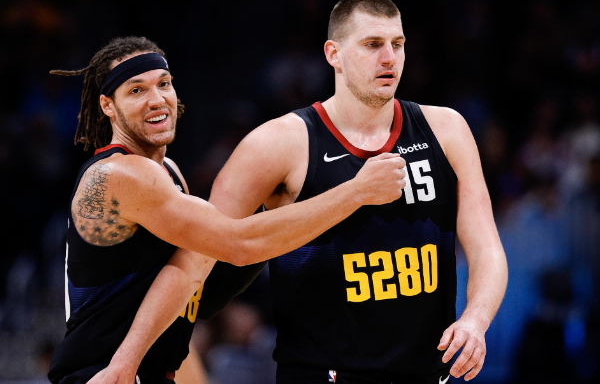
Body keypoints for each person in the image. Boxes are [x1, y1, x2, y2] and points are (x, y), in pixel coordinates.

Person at [94, 0, 508, 384]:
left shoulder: (446, 129)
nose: (389, 58)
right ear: (334, 54)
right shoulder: (276, 144)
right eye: (372, 45)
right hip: (322, 374)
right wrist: (125, 360)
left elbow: (486, 246)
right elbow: (197, 261)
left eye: (397, 45)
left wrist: (476, 319)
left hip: (426, 373)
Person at [46, 35, 407, 384]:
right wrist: (356, 192)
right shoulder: (119, 174)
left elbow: (197, 291)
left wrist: (270, 208)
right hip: (102, 375)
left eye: (163, 84)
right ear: (108, 105)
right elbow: (238, 244)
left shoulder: (168, 173)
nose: (156, 99)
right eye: (136, 90)